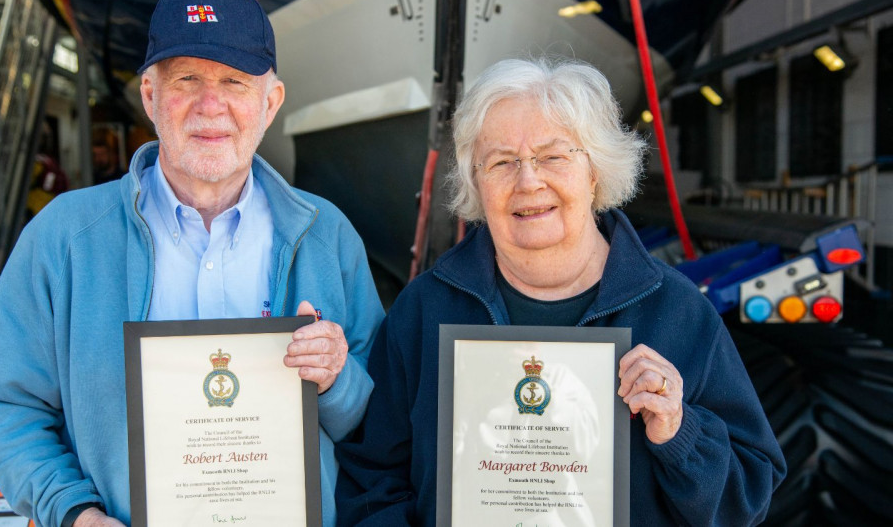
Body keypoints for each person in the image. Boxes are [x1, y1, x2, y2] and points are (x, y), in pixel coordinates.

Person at [0, 0, 384, 527]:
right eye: (188, 79)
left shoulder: (328, 237)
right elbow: (4, 403)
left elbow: (380, 422)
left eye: (234, 81)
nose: (211, 106)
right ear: (150, 95)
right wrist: (74, 513)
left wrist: (337, 378)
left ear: (270, 101)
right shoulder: (63, 239)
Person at [335, 58, 786, 526]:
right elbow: (372, 480)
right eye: (502, 162)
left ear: (595, 172)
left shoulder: (676, 311)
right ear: (476, 182)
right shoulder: (424, 311)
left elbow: (745, 502)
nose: (528, 181)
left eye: (553, 156)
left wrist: (679, 432)